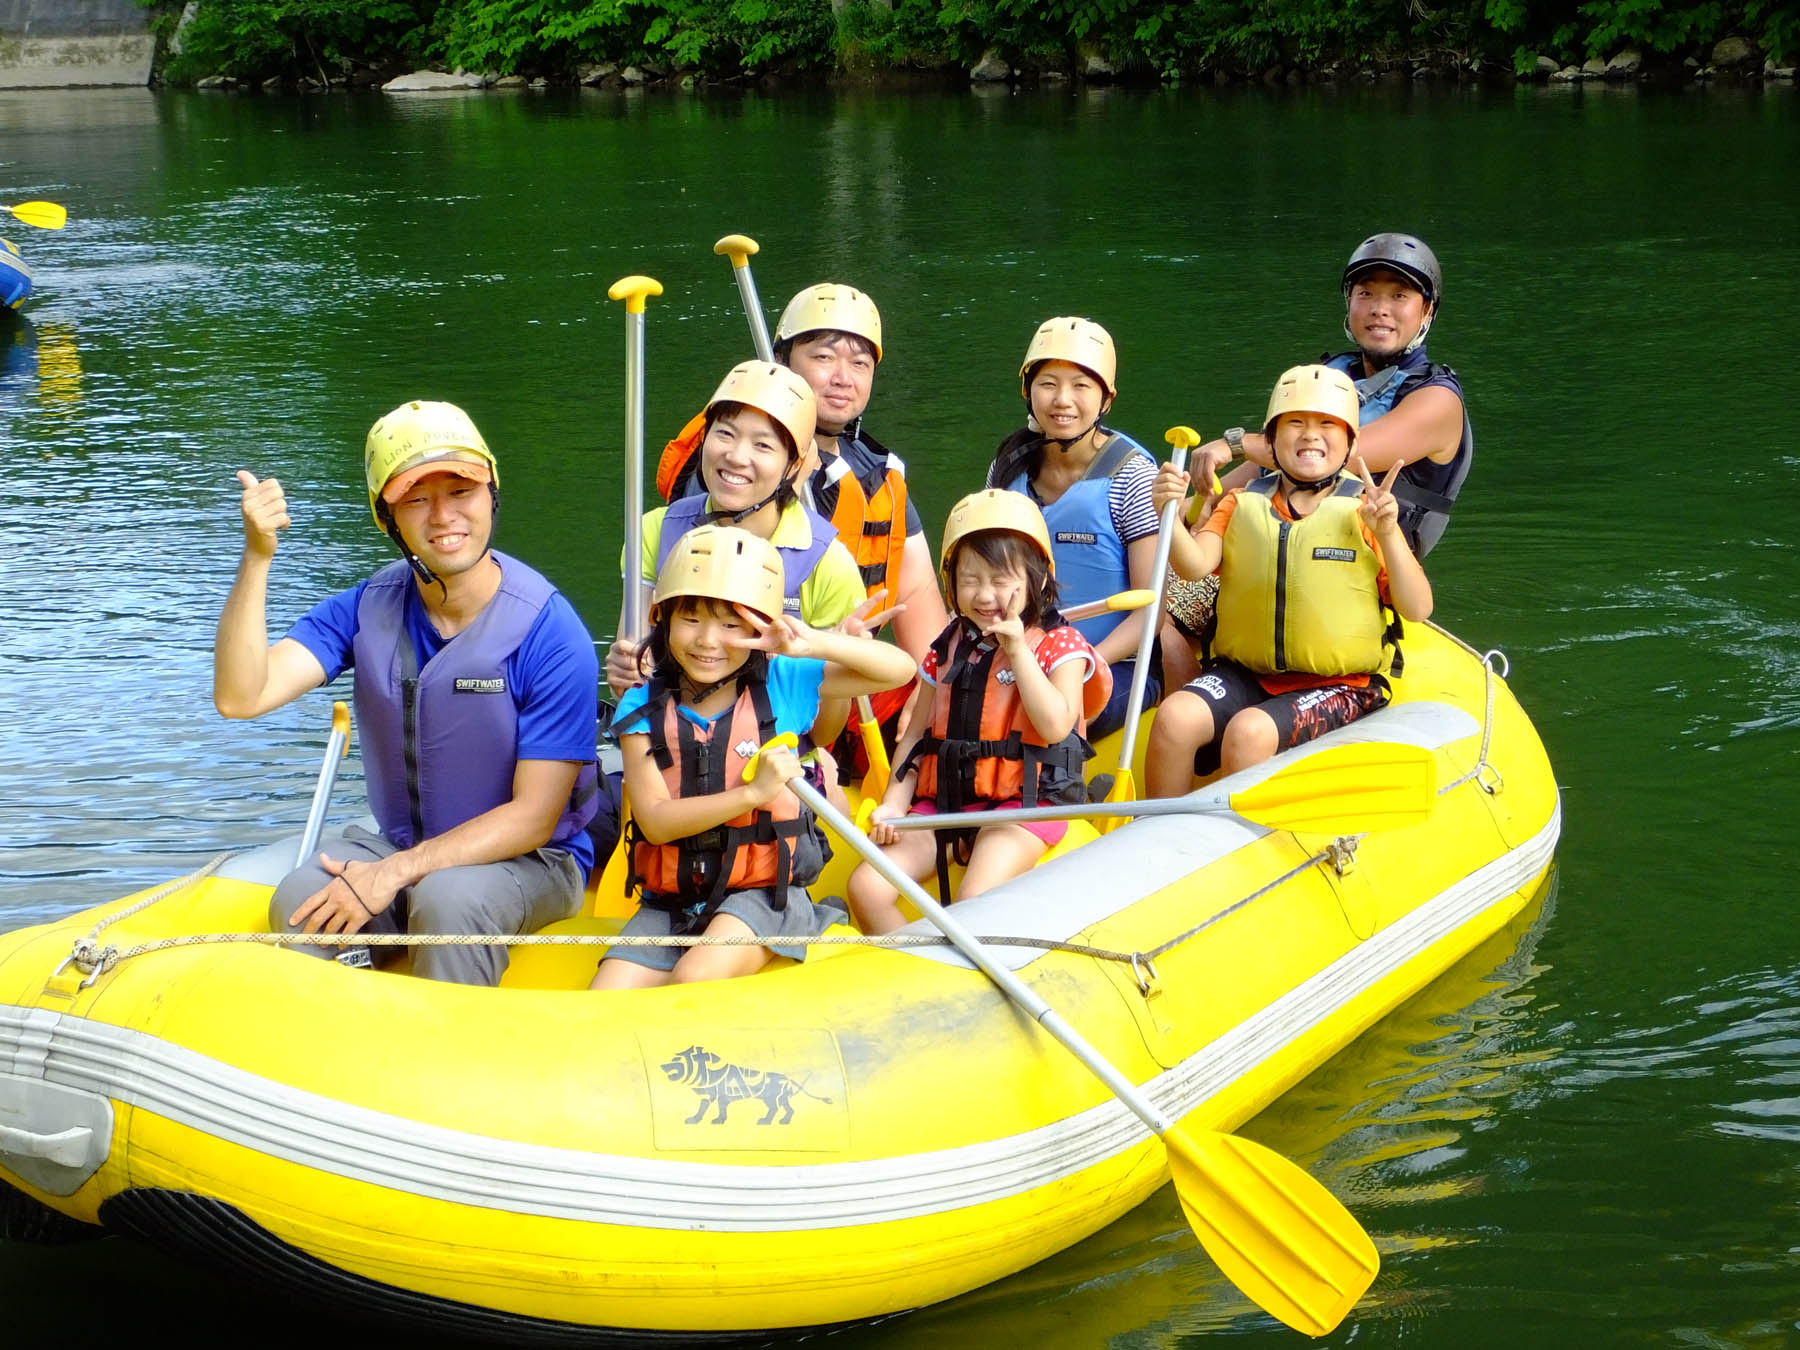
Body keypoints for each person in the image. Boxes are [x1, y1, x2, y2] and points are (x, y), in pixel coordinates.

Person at [214, 400, 601, 985]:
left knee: (449, 903)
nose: (444, 516)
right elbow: (242, 697)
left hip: (532, 863)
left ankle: (456, 1058)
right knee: (301, 901)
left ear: (491, 494)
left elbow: (534, 817)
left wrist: (395, 874)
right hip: (402, 848)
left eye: (461, 491)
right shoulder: (368, 607)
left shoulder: (551, 630)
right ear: (388, 517)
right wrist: (257, 558)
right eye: (417, 498)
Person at [590, 525, 916, 988]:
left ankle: (810, 921)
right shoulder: (640, 705)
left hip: (764, 894)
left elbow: (899, 671)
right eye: (691, 618)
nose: (707, 641)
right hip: (672, 901)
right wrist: (752, 794)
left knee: (696, 976)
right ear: (663, 619)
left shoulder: (786, 680)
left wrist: (813, 643)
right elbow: (657, 821)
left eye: (731, 625)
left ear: (760, 628)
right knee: (608, 993)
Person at [1144, 366, 1433, 799]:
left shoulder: (1366, 511)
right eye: (1295, 423)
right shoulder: (1241, 503)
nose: (1310, 435)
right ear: (1271, 442)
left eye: (1326, 425)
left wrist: (1389, 533)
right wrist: (1167, 512)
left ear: (1350, 442)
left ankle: (1235, 850)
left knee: (1248, 732)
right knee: (1175, 718)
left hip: (1340, 683)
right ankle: (1158, 840)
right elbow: (1194, 567)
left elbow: (1417, 609)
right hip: (1247, 672)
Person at [847, 490, 1110, 935]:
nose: (985, 595)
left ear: (1038, 580)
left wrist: (1017, 653)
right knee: (867, 887)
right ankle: (913, 972)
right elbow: (916, 736)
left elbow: (1054, 726)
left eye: (1001, 580)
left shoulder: (1061, 647)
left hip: (1025, 806)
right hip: (946, 803)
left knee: (972, 901)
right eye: (970, 580)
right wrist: (894, 802)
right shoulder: (947, 649)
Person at [1192, 233, 1472, 560]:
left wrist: (1235, 444)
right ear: (1349, 302)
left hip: (1365, 571)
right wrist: (1179, 511)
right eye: (1366, 293)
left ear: (1427, 310)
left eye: (1399, 295)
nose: (1380, 309)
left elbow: (1335, 457)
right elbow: (1262, 470)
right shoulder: (1329, 377)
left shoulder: (1438, 400)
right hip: (1277, 550)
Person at [606, 360, 867, 700]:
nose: (736, 456)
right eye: (725, 434)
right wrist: (625, 672)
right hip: (669, 738)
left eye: (763, 445)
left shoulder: (827, 563)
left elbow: (826, 728)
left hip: (780, 744)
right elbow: (631, 684)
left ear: (793, 465)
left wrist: (830, 651)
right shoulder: (655, 530)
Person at [985, 316, 1160, 742]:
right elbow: (982, 572)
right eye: (1049, 384)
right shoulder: (1007, 468)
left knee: (1045, 714)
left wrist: (1081, 665)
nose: (1063, 400)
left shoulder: (1131, 475)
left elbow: (1150, 611)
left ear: (1106, 399)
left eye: (1081, 385)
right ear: (1028, 391)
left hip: (1114, 663)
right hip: (1020, 652)